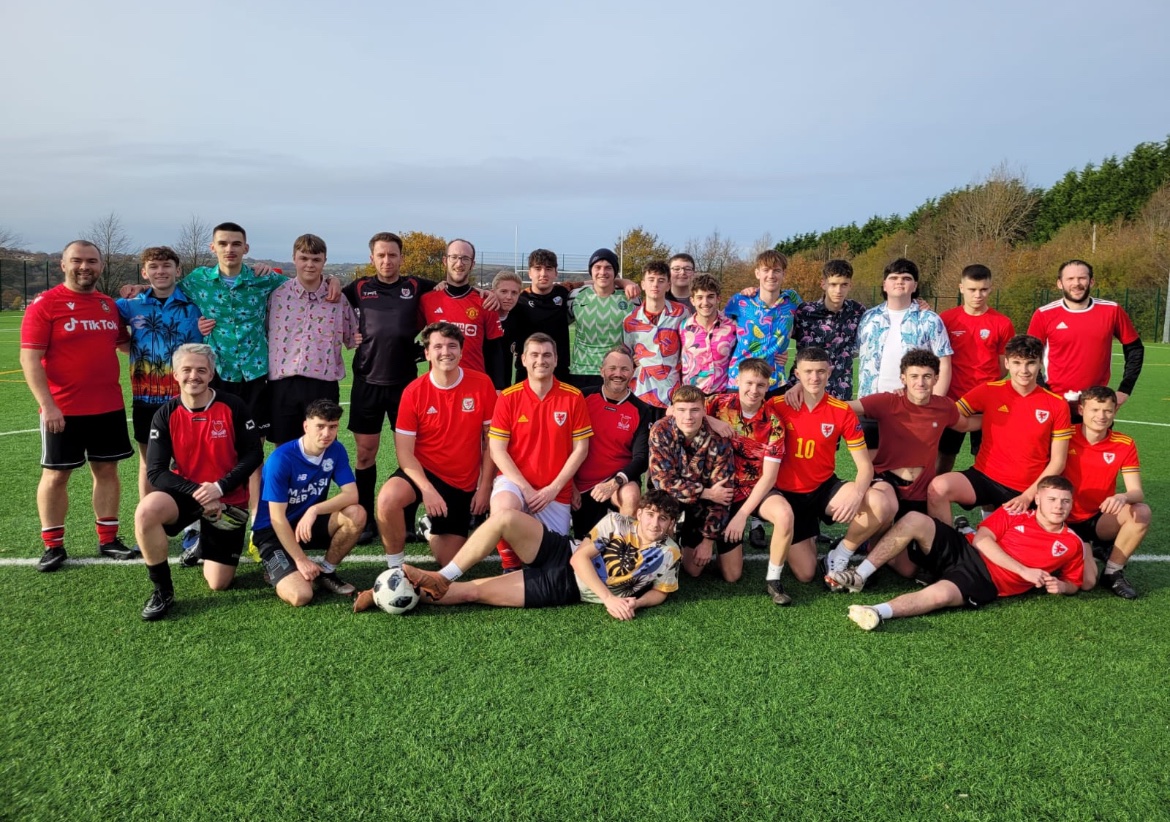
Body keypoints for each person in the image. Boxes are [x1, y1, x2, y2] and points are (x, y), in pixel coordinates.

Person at [358, 489, 681, 620]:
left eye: (662, 519)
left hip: (564, 588)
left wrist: (635, 601)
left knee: (474, 592)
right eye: (650, 514)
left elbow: (660, 592)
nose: (654, 523)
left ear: (670, 525)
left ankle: (380, 594)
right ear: (640, 513)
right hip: (563, 553)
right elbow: (579, 558)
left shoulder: (670, 554)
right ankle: (444, 577)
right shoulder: (617, 522)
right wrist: (609, 600)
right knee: (505, 519)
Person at [828, 476, 1090, 631]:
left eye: (1065, 501)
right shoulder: (1015, 512)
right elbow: (983, 541)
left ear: (1071, 503)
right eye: (1052, 499)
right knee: (915, 519)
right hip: (966, 548)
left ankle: (875, 611)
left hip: (985, 580)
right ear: (1039, 500)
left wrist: (1061, 587)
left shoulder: (1072, 543)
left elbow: (1075, 583)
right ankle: (860, 575)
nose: (1059, 506)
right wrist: (1024, 571)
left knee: (940, 595)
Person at [21, 240, 135, 571]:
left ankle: (108, 539)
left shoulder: (107, 305)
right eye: (77, 261)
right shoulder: (46, 304)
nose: (85, 267)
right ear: (63, 264)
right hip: (63, 409)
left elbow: (126, 346)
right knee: (56, 475)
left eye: (92, 261)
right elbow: (30, 358)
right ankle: (53, 545)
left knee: (107, 471)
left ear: (101, 266)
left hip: (108, 405)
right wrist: (48, 405)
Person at [134, 344, 263, 620]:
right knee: (146, 511)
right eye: (188, 370)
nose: (195, 376)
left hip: (227, 499)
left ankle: (203, 544)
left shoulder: (233, 406)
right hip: (187, 495)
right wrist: (200, 492)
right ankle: (162, 591)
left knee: (219, 583)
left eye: (201, 370)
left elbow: (253, 454)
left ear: (212, 373)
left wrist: (219, 487)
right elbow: (156, 471)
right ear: (176, 375)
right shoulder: (165, 414)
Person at [769, 347, 892, 596]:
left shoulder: (841, 410)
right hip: (789, 496)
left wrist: (858, 495)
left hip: (823, 488)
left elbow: (865, 466)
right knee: (805, 574)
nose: (815, 378)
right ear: (797, 374)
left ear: (830, 372)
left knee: (879, 502)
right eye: (808, 372)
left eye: (821, 372)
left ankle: (840, 554)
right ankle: (803, 532)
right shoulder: (777, 405)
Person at [376, 322, 497, 568]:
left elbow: (491, 441)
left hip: (461, 480)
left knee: (450, 563)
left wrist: (484, 487)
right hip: (422, 471)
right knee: (388, 499)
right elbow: (404, 453)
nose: (446, 352)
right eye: (438, 346)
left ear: (462, 351)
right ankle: (395, 568)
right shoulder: (414, 392)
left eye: (452, 346)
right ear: (427, 353)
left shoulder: (482, 384)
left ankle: (429, 528)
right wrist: (427, 489)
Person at [343, 232, 437, 542]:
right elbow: (325, 294)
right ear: (372, 258)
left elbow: (449, 289)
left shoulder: (415, 286)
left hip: (405, 386)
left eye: (392, 255)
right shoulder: (358, 289)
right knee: (366, 454)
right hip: (367, 383)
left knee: (409, 455)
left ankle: (407, 522)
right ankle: (366, 521)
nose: (387, 260)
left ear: (401, 257)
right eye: (381, 255)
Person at [927, 334, 1071, 523]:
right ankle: (951, 548)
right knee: (938, 487)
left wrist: (1027, 496)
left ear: (1040, 364)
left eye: (1031, 363)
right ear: (1008, 364)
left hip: (1027, 487)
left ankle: (979, 529)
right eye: (1017, 363)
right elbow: (954, 415)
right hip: (985, 477)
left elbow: (1058, 462)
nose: (1024, 370)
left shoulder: (1057, 404)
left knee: (1018, 548)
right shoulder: (989, 390)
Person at [489, 333, 593, 569]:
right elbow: (497, 450)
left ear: (556, 359)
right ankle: (510, 567)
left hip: (554, 491)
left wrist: (552, 489)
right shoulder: (508, 397)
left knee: (551, 563)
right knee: (502, 509)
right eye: (534, 355)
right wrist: (525, 488)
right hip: (516, 483)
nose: (541, 360)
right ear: (523, 359)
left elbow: (581, 450)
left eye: (547, 355)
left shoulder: (574, 396)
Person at [251, 399, 366, 607]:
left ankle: (327, 572)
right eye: (320, 426)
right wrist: (301, 560)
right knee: (301, 596)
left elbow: (351, 495)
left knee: (356, 514)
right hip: (273, 531)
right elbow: (277, 518)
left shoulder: (336, 450)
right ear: (306, 426)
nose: (326, 433)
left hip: (307, 524)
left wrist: (314, 509)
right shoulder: (281, 459)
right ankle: (275, 567)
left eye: (332, 427)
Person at [116, 246, 204, 500]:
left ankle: (191, 524)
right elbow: (96, 308)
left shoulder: (195, 305)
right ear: (144, 273)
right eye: (153, 267)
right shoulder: (129, 306)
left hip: (186, 399)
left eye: (166, 266)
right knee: (149, 464)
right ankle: (150, 521)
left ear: (178, 270)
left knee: (189, 463)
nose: (160, 271)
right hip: (145, 399)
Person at [849, 350, 976, 524]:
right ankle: (846, 550)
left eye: (927, 376)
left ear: (936, 379)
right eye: (914, 376)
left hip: (920, 489)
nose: (920, 383)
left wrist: (1003, 414)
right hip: (887, 484)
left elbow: (967, 425)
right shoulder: (888, 402)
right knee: (889, 540)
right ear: (903, 379)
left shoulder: (945, 407)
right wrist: (807, 394)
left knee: (927, 543)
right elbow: (845, 408)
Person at [705, 359, 796, 590]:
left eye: (761, 385)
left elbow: (769, 477)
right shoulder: (717, 403)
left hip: (753, 489)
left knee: (784, 514)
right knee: (730, 575)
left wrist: (742, 515)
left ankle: (774, 579)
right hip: (719, 491)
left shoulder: (774, 422)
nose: (753, 390)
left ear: (768, 387)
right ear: (737, 380)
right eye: (749, 383)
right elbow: (674, 409)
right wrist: (710, 419)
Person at [266, 233, 359, 445]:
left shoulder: (337, 299)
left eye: (316, 259)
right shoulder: (277, 295)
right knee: (285, 447)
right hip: (283, 384)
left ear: (324, 261)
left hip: (323, 385)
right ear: (294, 258)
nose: (310, 264)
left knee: (321, 446)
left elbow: (353, 338)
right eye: (304, 258)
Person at [854, 258, 952, 449]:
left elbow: (944, 363)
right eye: (894, 277)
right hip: (869, 405)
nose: (899, 282)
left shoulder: (930, 319)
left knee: (907, 469)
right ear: (884, 284)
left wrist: (934, 403)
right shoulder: (868, 317)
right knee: (871, 468)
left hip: (912, 406)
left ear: (915, 285)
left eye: (906, 278)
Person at [1026, 259, 1144, 417]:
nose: (1076, 283)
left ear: (1091, 281)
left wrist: (1125, 390)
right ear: (1060, 283)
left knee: (1096, 442)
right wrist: (1043, 392)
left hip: (1097, 404)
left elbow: (1135, 348)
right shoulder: (1044, 314)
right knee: (1054, 442)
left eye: (1082, 278)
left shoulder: (1112, 310)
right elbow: (1029, 356)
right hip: (1055, 401)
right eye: (1070, 279)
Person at [1064, 386, 1151, 599]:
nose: (1101, 416)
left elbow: (1136, 492)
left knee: (1141, 512)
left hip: (1098, 518)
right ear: (1082, 410)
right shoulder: (1064, 436)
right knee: (1086, 582)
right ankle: (1087, 550)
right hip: (1063, 519)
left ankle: (1112, 572)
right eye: (1095, 410)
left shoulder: (1124, 443)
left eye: (1107, 411)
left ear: (1114, 412)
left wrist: (1122, 496)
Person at [648, 384, 735, 579]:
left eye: (695, 410)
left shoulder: (719, 439)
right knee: (657, 554)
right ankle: (669, 531)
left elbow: (723, 494)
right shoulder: (661, 429)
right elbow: (663, 482)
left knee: (694, 571)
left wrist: (707, 542)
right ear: (673, 411)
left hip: (702, 506)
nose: (688, 416)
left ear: (704, 411)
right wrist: (707, 492)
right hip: (668, 499)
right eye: (682, 410)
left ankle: (686, 534)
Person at [937, 264, 1014, 474]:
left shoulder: (1003, 323)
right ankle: (932, 499)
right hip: (953, 399)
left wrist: (985, 388)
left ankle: (987, 507)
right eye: (972, 289)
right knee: (944, 453)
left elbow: (1002, 366)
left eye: (983, 289)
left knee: (985, 454)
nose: (978, 295)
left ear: (990, 289)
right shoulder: (946, 319)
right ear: (961, 288)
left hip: (988, 402)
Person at [571, 349, 652, 539]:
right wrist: (569, 485)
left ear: (632, 372)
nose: (618, 373)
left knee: (631, 495)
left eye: (625, 369)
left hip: (616, 482)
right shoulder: (581, 398)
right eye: (612, 368)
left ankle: (623, 551)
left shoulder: (641, 410)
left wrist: (614, 483)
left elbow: (641, 459)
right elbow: (561, 444)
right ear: (601, 371)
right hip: (579, 485)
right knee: (585, 541)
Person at [421, 238, 508, 385]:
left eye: (465, 259)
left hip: (475, 387)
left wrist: (498, 386)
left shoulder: (485, 302)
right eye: (454, 257)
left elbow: (495, 351)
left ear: (472, 264)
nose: (459, 263)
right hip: (438, 386)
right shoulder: (427, 300)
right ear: (445, 261)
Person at [787, 259, 866, 400]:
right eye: (833, 284)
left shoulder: (857, 311)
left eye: (844, 285)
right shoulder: (804, 312)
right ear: (823, 284)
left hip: (840, 392)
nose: (838, 290)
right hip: (803, 390)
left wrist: (916, 302)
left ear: (850, 285)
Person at [723, 250, 801, 390]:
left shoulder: (792, 300)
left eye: (776, 270)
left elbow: (807, 329)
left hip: (775, 382)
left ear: (784, 274)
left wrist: (789, 353)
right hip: (741, 382)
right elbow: (719, 330)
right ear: (757, 273)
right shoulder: (740, 301)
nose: (771, 275)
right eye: (766, 270)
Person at [568, 248, 638, 392]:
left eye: (608, 268)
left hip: (618, 371)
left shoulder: (631, 298)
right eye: (597, 267)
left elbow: (641, 332)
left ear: (615, 272)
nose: (602, 272)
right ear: (591, 271)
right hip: (582, 371)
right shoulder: (576, 297)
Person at [622, 261, 687, 412]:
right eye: (651, 280)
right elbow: (628, 355)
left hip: (673, 392)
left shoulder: (682, 313)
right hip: (641, 392)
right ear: (643, 284)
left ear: (668, 285)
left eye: (661, 280)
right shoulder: (630, 320)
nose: (655, 285)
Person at [508, 249, 574, 382]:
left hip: (559, 374)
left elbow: (595, 284)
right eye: (538, 268)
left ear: (556, 273)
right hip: (526, 374)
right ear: (529, 273)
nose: (543, 274)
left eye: (548, 269)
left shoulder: (563, 293)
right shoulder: (519, 301)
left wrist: (624, 283)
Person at [680, 273, 737, 395]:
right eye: (700, 297)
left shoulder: (732, 326)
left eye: (710, 296)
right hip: (691, 397)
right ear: (692, 300)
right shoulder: (682, 328)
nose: (705, 302)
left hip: (722, 396)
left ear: (718, 298)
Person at [491, 269, 524, 389]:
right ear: (492, 292)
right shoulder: (481, 317)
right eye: (503, 291)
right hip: (481, 389)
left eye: (514, 293)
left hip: (505, 389)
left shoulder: (519, 318)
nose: (509, 297)